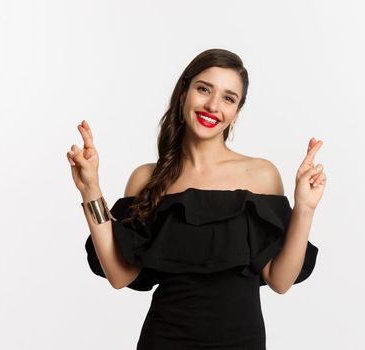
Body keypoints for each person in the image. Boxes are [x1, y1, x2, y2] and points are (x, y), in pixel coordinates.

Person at [66, 49, 326, 349]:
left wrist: (304, 208)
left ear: (236, 112)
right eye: (204, 89)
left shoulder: (261, 175)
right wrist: (90, 191)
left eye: (228, 98)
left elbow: (280, 280)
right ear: (183, 95)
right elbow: (119, 274)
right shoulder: (146, 179)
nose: (213, 105)